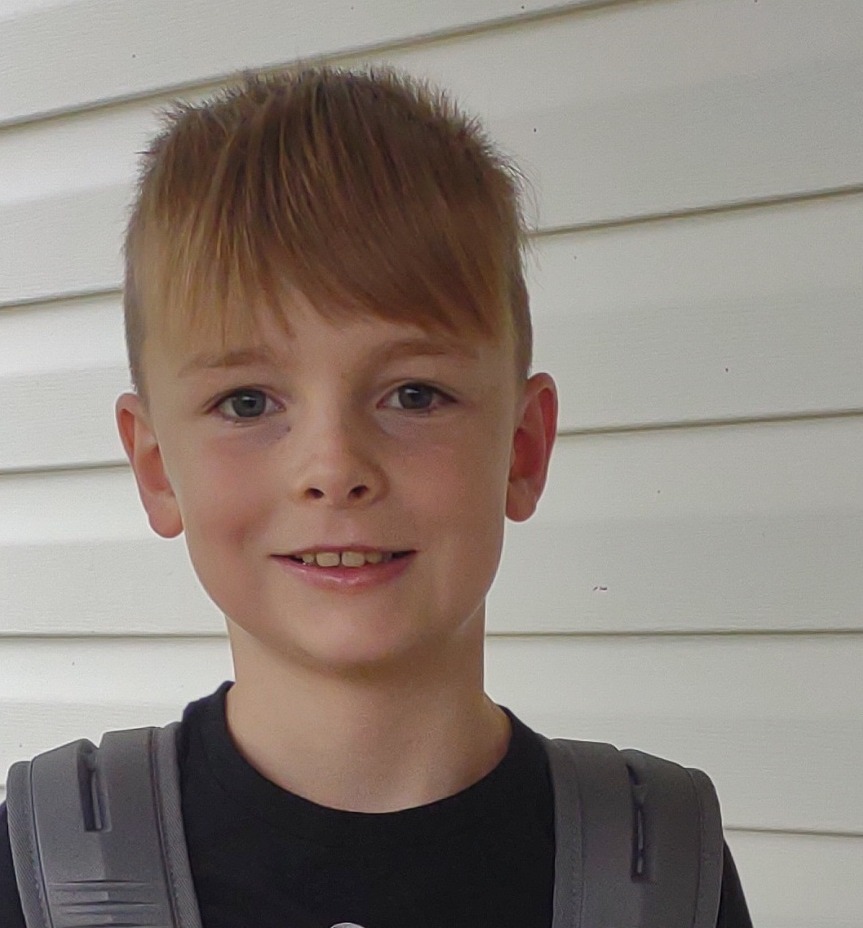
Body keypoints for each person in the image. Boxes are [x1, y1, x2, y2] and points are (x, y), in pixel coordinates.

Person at [0, 65, 753, 928]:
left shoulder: (660, 870)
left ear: (521, 447)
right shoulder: (47, 869)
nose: (333, 466)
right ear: (157, 467)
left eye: (413, 395)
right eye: (246, 403)